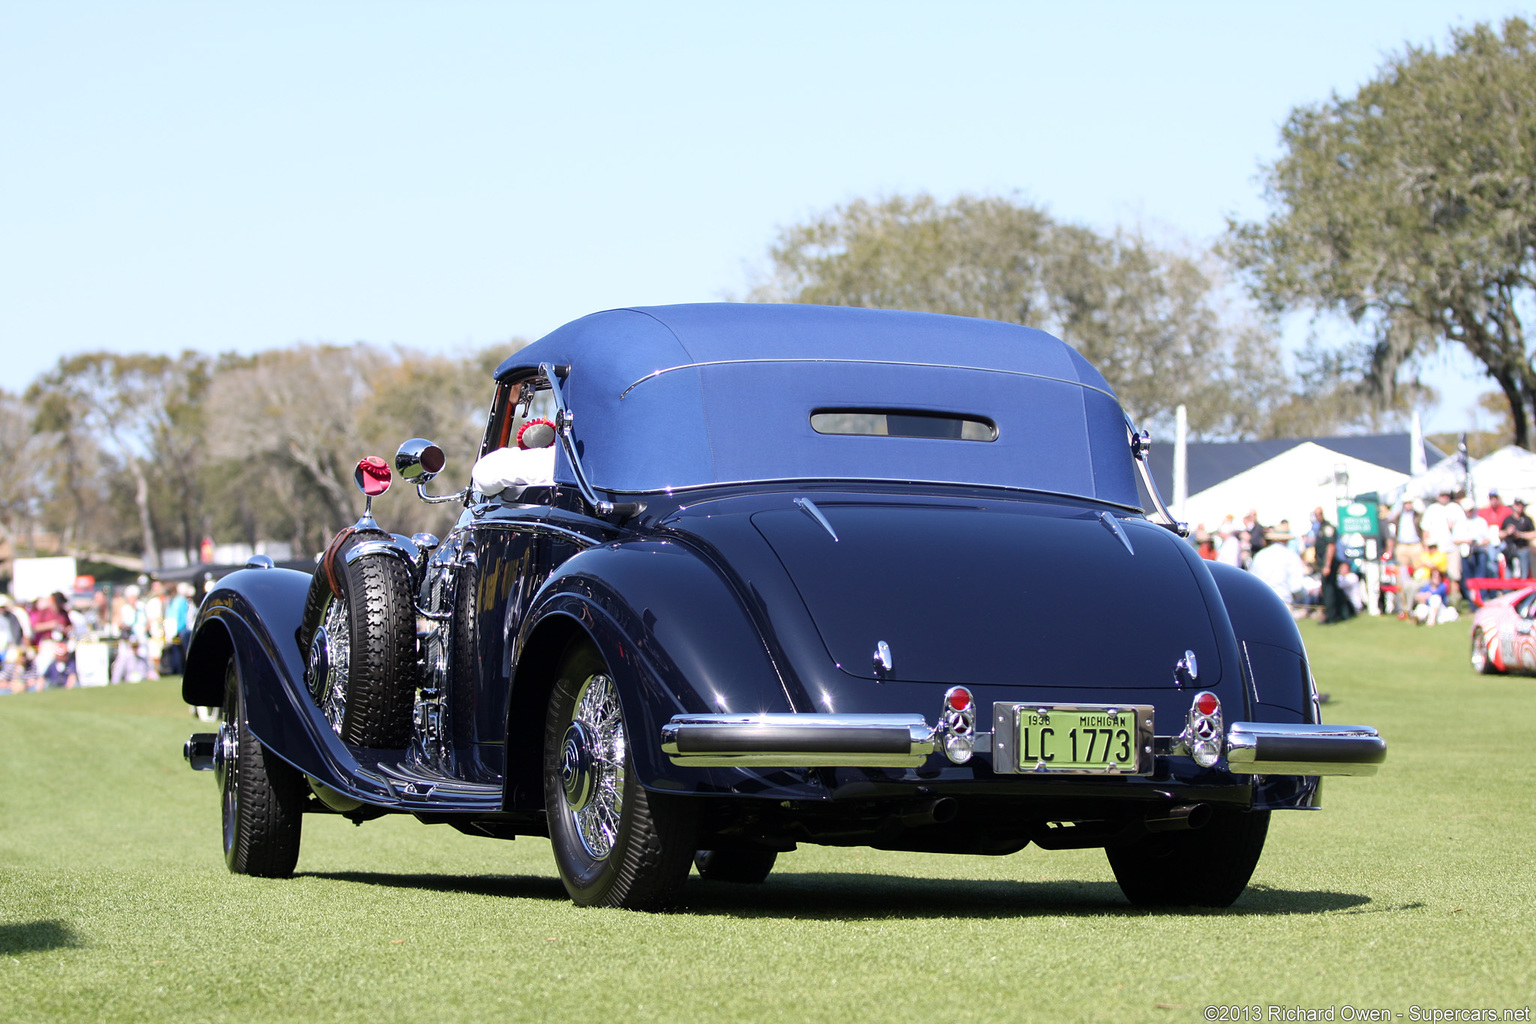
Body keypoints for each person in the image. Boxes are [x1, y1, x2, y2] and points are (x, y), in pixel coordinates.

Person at [1313, 506, 1354, 624]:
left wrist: (1327, 565)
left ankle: (1331, 617)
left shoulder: (1327, 528)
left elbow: (1331, 546)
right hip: (1324, 564)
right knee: (1330, 589)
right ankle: (1341, 613)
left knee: (1329, 589)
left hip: (1329, 564)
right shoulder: (1320, 527)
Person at [1250, 529, 1309, 607]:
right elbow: (1296, 587)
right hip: (1283, 602)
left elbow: (1251, 580)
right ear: (1285, 541)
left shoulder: (1259, 555)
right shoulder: (1290, 555)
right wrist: (1306, 594)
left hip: (1261, 601)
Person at [1501, 499, 1535, 579]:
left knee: (1524, 571)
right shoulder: (1508, 519)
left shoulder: (1527, 519)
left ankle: (1524, 586)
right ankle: (1508, 588)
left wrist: (1520, 534)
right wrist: (1507, 532)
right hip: (1510, 549)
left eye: (1521, 505)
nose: (1519, 507)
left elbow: (1533, 534)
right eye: (1517, 505)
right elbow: (1500, 534)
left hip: (1522, 548)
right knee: (1508, 573)